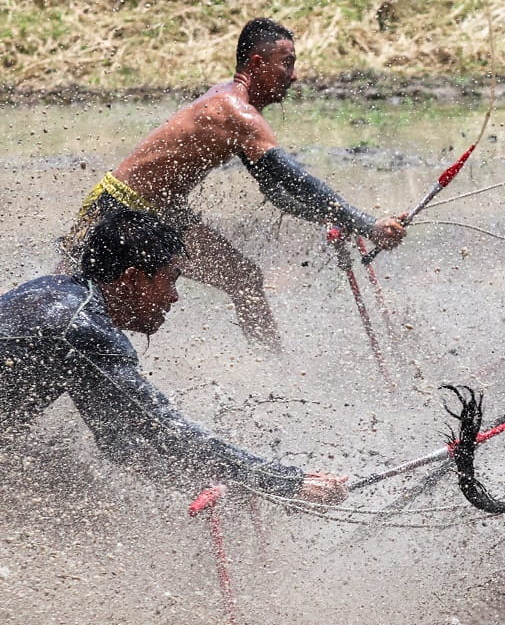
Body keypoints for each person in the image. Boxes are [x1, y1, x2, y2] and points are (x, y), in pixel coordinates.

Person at [62, 18, 407, 351]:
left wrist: (336, 220)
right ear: (257, 62)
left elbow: (277, 192)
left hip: (164, 212)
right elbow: (297, 181)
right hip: (118, 208)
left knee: (244, 280)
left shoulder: (237, 108)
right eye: (287, 64)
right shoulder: (234, 112)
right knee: (78, 300)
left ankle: (273, 373)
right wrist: (367, 224)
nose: (294, 75)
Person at [6, 211, 349, 504]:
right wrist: (282, 481)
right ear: (132, 278)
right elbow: (160, 428)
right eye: (169, 280)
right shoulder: (85, 331)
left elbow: (119, 441)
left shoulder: (51, 291)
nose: (174, 297)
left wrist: (226, 483)